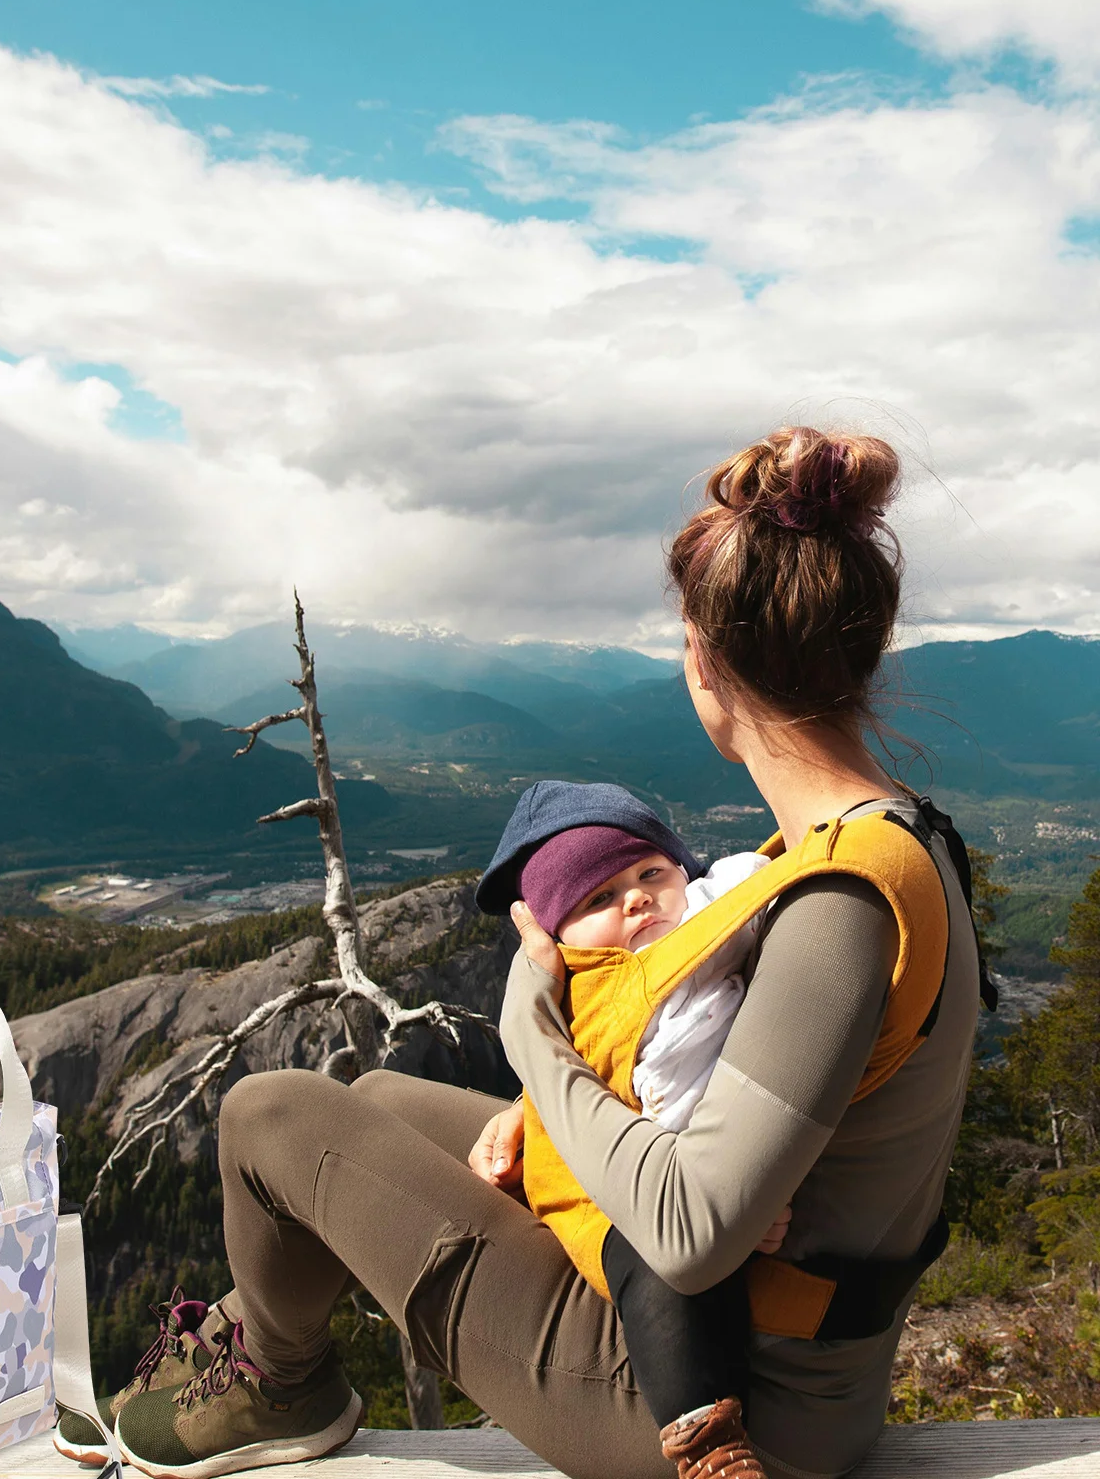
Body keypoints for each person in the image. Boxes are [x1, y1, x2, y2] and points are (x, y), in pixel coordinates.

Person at [76, 426, 980, 1479]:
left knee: (269, 1114)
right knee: (377, 1099)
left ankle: (280, 1380)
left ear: (705, 661)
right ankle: (236, 1352)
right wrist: (550, 1097)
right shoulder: (880, 842)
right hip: (761, 1341)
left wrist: (534, 1037)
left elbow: (691, 1231)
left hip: (721, 1400)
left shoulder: (839, 904)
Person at [470, 779, 778, 1475]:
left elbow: (761, 880)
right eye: (598, 898)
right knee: (658, 1269)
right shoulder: (587, 992)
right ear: (559, 938)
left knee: (700, 1262)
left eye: (651, 874)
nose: (636, 899)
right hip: (611, 1191)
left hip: (726, 1163)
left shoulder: (716, 918)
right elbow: (584, 1079)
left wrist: (755, 1191)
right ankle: (708, 1448)